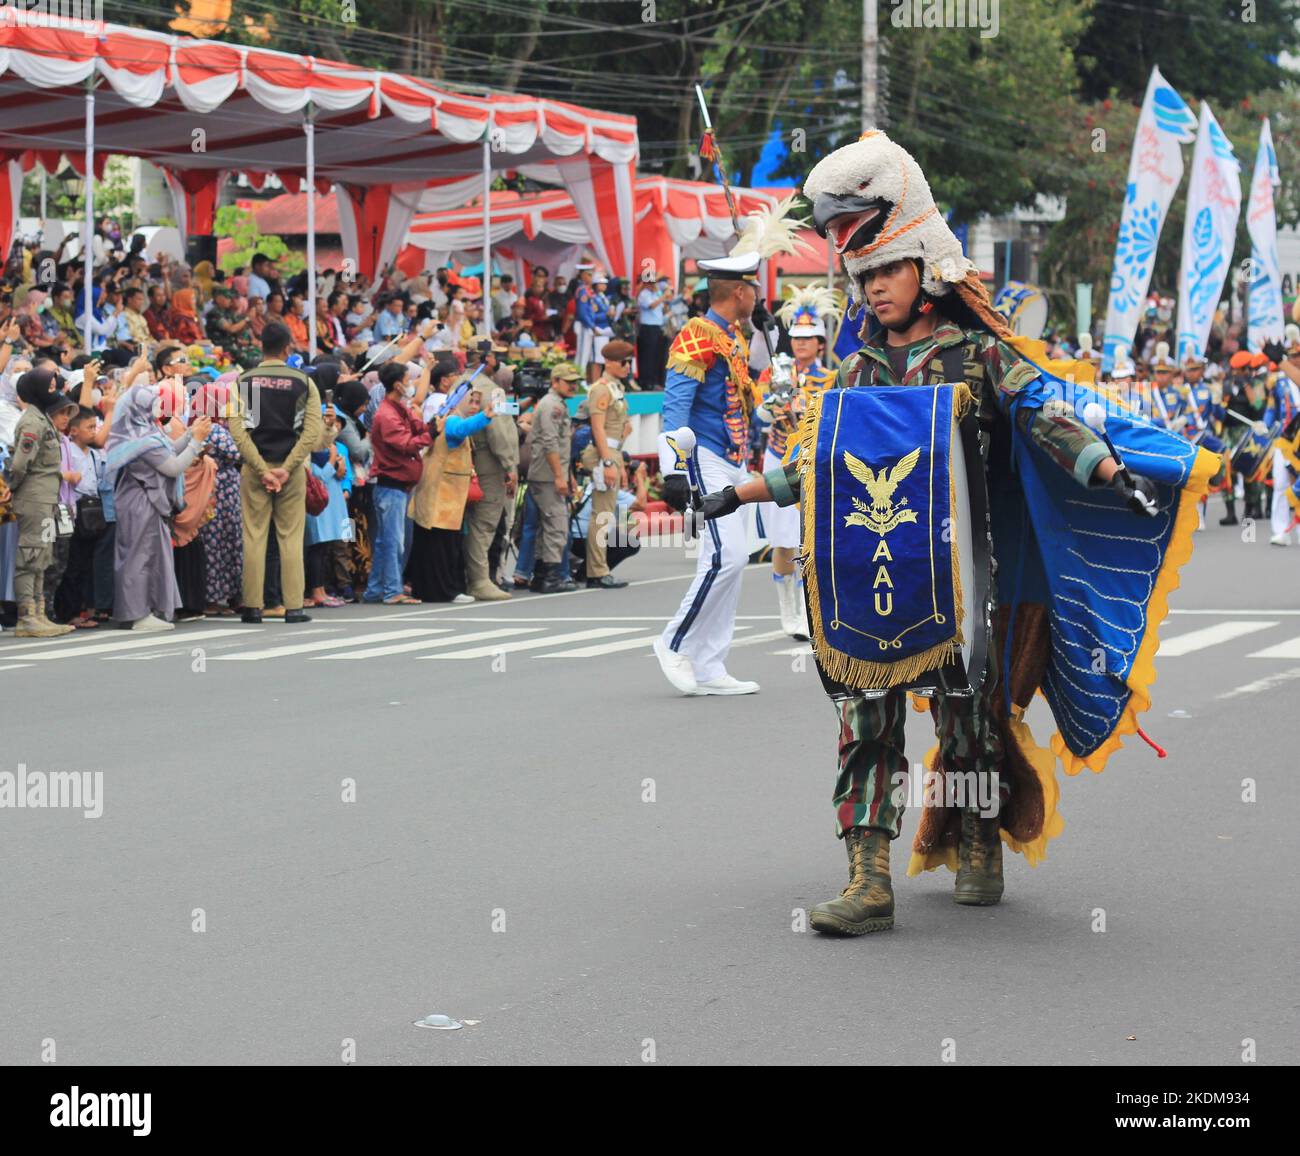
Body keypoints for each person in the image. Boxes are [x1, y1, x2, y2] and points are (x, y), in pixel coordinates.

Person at [695, 130, 1212, 935]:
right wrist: (739, 493)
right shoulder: (856, 374)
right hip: (865, 581)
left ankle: (979, 841)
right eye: (860, 276)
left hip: (961, 581)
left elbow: (1045, 417)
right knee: (864, 721)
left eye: (884, 271)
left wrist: (1109, 473)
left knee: (969, 723)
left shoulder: (977, 356)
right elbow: (821, 469)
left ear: (925, 266)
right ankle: (867, 880)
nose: (872, 289)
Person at [653, 250, 778, 697]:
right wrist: (673, 470)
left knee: (736, 559)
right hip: (703, 457)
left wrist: (767, 326)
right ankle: (674, 642)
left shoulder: (733, 334)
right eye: (755, 291)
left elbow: (762, 371)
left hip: (734, 458)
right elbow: (674, 405)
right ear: (740, 292)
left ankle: (709, 663)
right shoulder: (696, 334)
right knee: (724, 556)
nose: (758, 297)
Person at [759, 283, 841, 638]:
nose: (801, 343)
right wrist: (771, 406)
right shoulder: (776, 374)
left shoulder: (831, 378)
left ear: (820, 343)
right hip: (778, 456)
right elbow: (758, 415)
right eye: (796, 337)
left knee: (810, 540)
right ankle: (787, 614)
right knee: (783, 539)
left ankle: (811, 615)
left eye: (808, 338)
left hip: (811, 460)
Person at [229, 320, 322, 625]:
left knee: (254, 536)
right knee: (290, 537)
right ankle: (294, 606)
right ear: (287, 348)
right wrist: (285, 469)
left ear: (261, 347)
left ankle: (253, 607)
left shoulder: (245, 381)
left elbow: (239, 431)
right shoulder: (303, 382)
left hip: (255, 469)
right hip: (290, 469)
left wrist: (260, 468)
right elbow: (310, 434)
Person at [106, 378, 212, 631]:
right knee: (138, 557)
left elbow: (169, 451)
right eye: (154, 403)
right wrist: (196, 441)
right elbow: (172, 466)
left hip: (146, 502)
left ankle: (144, 610)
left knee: (148, 555)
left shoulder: (142, 432)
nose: (158, 408)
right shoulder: (140, 439)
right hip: (141, 503)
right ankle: (136, 613)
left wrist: (190, 435)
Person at [407, 382, 494, 602]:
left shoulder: (446, 417)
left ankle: (429, 589)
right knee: (442, 546)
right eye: (470, 400)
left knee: (434, 545)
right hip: (443, 493)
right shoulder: (452, 419)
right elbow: (459, 430)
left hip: (439, 491)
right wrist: (486, 415)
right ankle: (445, 591)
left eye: (477, 402)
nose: (474, 406)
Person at [6, 370, 77, 636]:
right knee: (31, 555)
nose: (53, 391)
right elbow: (21, 463)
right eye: (48, 387)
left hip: (46, 499)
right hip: (34, 499)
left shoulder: (42, 419)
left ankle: (39, 612)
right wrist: (12, 487)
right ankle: (27, 617)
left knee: (42, 554)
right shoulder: (32, 423)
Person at [363, 360, 432, 605]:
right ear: (397, 385)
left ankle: (375, 590)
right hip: (390, 485)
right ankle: (392, 590)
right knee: (394, 542)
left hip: (398, 485)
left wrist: (427, 427)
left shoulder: (397, 408)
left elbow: (417, 427)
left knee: (385, 542)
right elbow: (406, 444)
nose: (410, 384)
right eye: (407, 379)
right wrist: (430, 434)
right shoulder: (386, 414)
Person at [578, 338, 633, 589]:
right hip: (605, 453)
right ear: (609, 363)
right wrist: (608, 461)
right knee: (601, 515)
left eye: (629, 362)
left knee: (606, 514)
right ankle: (597, 571)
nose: (628, 366)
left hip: (614, 451)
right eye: (623, 362)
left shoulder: (615, 387)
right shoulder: (601, 389)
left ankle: (596, 569)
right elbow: (597, 428)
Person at [525, 361, 582, 593]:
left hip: (550, 473)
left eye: (574, 382)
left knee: (547, 525)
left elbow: (560, 445)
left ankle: (541, 575)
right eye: (568, 382)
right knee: (557, 525)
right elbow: (550, 443)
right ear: (555, 382)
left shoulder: (556, 404)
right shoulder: (552, 406)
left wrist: (566, 475)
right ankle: (550, 576)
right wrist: (560, 477)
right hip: (547, 475)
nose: (572, 386)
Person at [464, 372, 519, 601]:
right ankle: (479, 580)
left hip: (471, 460)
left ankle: (473, 577)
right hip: (489, 462)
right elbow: (498, 432)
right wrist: (509, 465)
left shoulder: (462, 382)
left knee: (471, 524)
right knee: (485, 522)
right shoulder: (492, 390)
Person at [192, 380, 243, 616]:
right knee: (222, 543)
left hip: (215, 490)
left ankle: (221, 596)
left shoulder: (200, 426)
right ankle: (218, 598)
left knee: (219, 543)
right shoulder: (215, 429)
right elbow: (237, 452)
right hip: (222, 491)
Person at [636, 272, 672, 390]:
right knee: (648, 355)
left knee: (657, 355)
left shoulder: (656, 293)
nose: (653, 285)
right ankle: (646, 381)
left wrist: (664, 298)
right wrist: (663, 297)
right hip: (648, 327)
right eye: (651, 283)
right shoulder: (644, 294)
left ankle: (655, 381)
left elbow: (663, 307)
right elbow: (651, 306)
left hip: (657, 326)